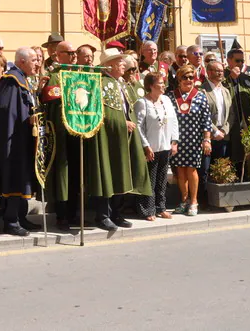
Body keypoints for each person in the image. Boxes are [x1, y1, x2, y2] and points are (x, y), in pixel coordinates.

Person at [88, 49, 152, 230]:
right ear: (109, 65)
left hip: (123, 137)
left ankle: (116, 213)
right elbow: (100, 112)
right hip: (108, 138)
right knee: (107, 174)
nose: (124, 64)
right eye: (120, 62)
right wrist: (123, 123)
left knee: (120, 174)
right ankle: (103, 215)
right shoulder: (101, 83)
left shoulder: (120, 83)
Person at [0, 47, 41, 236]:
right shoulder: (11, 80)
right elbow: (7, 111)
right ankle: (11, 220)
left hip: (24, 137)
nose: (37, 64)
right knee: (15, 177)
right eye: (34, 60)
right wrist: (26, 120)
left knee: (24, 178)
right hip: (14, 138)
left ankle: (21, 217)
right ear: (22, 61)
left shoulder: (23, 80)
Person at [40, 41, 81, 229]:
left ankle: (74, 214)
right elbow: (47, 97)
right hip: (59, 132)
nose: (73, 56)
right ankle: (62, 215)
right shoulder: (53, 75)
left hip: (78, 131)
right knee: (62, 176)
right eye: (69, 53)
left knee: (76, 174)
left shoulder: (79, 74)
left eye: (75, 52)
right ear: (58, 55)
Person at [169, 64, 212, 216]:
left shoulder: (201, 95)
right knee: (180, 171)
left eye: (191, 77)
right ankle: (184, 200)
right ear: (179, 80)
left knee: (191, 170)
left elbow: (206, 120)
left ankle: (194, 201)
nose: (188, 80)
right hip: (177, 140)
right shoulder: (171, 96)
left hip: (194, 139)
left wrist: (207, 140)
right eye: (185, 77)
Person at [134, 72, 178, 220]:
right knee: (150, 181)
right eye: (160, 83)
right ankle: (148, 209)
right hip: (151, 148)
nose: (164, 85)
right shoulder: (143, 102)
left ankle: (161, 207)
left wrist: (174, 141)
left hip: (165, 146)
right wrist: (146, 146)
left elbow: (174, 121)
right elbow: (139, 127)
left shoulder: (166, 100)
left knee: (162, 180)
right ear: (151, 86)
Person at [201, 60, 235, 205]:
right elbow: (203, 114)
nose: (220, 73)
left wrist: (224, 130)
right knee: (205, 169)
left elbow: (231, 114)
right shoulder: (202, 91)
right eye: (216, 70)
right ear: (209, 73)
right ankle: (204, 200)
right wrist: (214, 131)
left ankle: (219, 200)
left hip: (223, 135)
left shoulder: (226, 91)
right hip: (208, 135)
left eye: (221, 70)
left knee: (220, 168)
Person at [223, 48, 250, 169]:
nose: (240, 64)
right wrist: (231, 79)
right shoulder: (223, 75)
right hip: (231, 123)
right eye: (237, 60)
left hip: (247, 121)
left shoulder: (247, 78)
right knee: (233, 152)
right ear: (229, 61)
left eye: (242, 61)